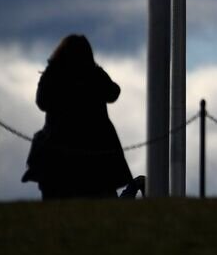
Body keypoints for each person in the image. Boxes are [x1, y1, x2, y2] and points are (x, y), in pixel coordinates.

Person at [21, 34, 134, 200]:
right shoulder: (93, 74)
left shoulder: (53, 74)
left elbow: (41, 102)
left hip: (58, 145)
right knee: (100, 197)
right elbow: (113, 93)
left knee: (58, 197)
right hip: (95, 143)